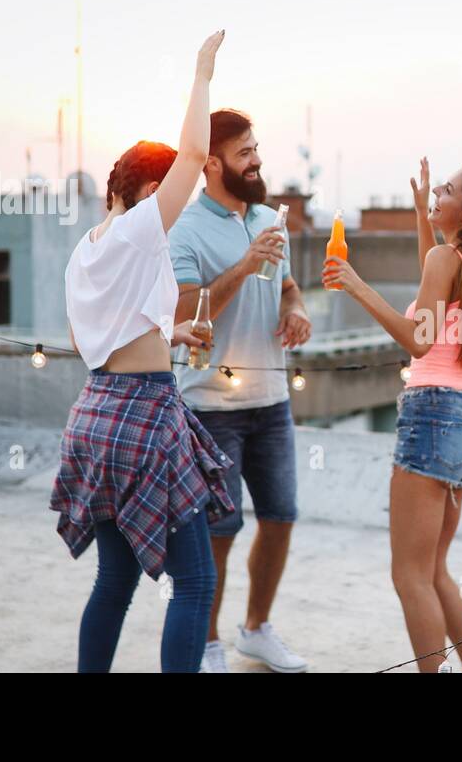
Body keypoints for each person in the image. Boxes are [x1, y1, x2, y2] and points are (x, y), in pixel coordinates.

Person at [50, 31, 233, 673]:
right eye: (171, 197)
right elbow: (192, 151)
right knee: (195, 583)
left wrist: (170, 335)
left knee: (115, 582)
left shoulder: (89, 247)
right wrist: (202, 72)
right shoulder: (141, 229)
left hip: (95, 416)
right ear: (150, 191)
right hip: (143, 418)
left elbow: (88, 340)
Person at [321, 158, 462, 672]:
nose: (437, 194)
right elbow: (434, 284)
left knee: (409, 576)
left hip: (432, 417)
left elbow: (419, 338)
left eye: (445, 191)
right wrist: (418, 213)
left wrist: (356, 284)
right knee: (434, 571)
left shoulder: (444, 259)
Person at [169, 109, 313, 673]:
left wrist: (295, 307)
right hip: (210, 406)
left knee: (280, 517)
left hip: (272, 403)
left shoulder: (265, 219)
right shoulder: (184, 230)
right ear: (211, 163)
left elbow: (289, 285)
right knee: (219, 532)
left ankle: (255, 630)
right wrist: (242, 265)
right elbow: (185, 312)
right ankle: (206, 644)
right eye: (244, 153)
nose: (256, 162)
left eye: (256, 149)